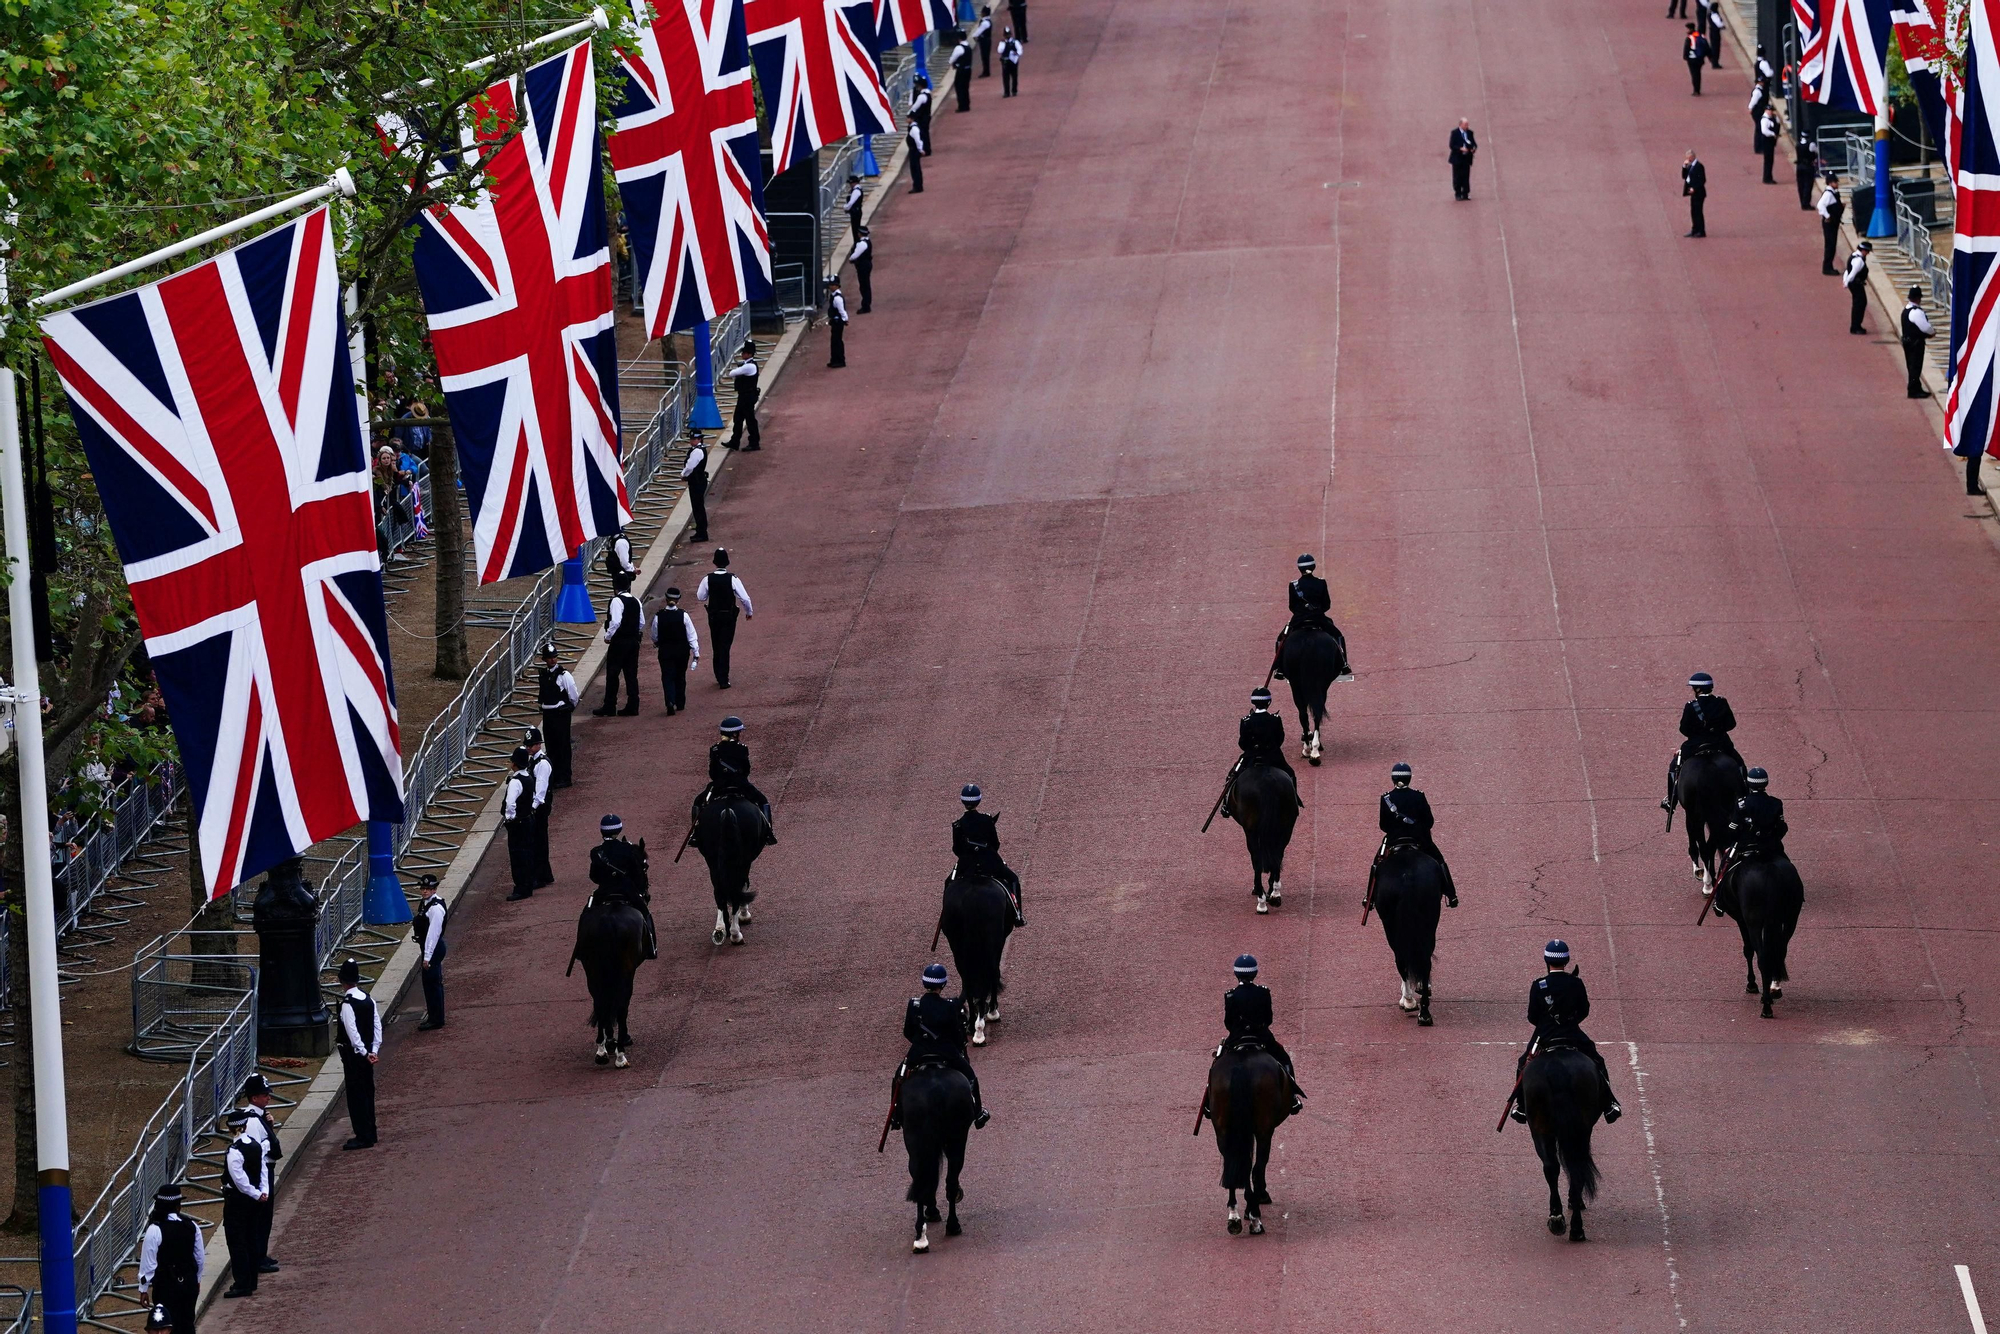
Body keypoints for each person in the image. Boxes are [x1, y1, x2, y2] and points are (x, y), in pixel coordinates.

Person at [1510, 940, 1622, 1124]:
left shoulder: (1538, 985)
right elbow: (1584, 1010)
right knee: (1597, 1060)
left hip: (1544, 1035)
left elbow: (1532, 1016)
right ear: (1567, 961)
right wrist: (1570, 1022)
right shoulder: (1575, 983)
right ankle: (1610, 1104)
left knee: (1523, 1062)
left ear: (1547, 961)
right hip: (1572, 1033)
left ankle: (1522, 1107)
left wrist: (1546, 1024)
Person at [889, 963, 990, 1129]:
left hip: (919, 1051)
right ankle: (978, 1112)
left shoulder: (914, 1005)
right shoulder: (950, 1005)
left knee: (898, 1077)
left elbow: (908, 1032)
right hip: (947, 1051)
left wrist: (920, 1042)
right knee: (971, 1076)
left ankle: (896, 1115)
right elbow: (957, 1035)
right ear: (943, 984)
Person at [1220, 955, 1305, 1115]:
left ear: (1236, 974)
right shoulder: (1263, 993)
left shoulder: (1230, 995)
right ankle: (1292, 1097)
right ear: (1255, 973)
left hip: (1237, 1037)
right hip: (1261, 1036)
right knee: (1284, 1058)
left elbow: (1228, 1023)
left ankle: (1210, 1102)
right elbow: (1268, 1019)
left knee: (1218, 1061)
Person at [1376, 762, 1459, 905]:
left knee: (1376, 864)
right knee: (1439, 860)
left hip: (1394, 841)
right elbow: (1429, 822)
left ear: (1393, 779)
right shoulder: (1419, 796)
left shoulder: (1386, 798)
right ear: (1410, 778)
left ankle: (1369, 898)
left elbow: (1383, 825)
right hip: (1419, 840)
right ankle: (1451, 894)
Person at [1663, 671, 1742, 810]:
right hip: (1720, 743)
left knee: (1674, 765)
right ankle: (1743, 796)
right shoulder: (1721, 702)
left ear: (1698, 689)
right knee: (1740, 764)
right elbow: (1731, 724)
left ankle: (1671, 800)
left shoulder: (1690, 705)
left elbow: (1684, 729)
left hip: (1695, 745)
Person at [693, 715, 777, 843]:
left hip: (719, 785)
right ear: (734, 734)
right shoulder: (742, 748)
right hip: (740, 784)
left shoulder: (714, 749)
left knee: (698, 802)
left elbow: (712, 772)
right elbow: (746, 770)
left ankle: (695, 834)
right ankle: (768, 833)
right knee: (762, 800)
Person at [1717, 767, 1788, 916]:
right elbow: (1781, 828)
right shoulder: (1776, 803)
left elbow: (1733, 830)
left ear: (1749, 784)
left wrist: (1734, 843)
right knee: (1788, 866)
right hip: (1771, 847)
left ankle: (1719, 902)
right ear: (1766, 783)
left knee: (1724, 865)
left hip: (1746, 846)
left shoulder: (1742, 804)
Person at [953, 783, 1024, 926]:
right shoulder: (987, 820)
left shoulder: (957, 824)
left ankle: (945, 919)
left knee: (948, 883)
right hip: (990, 864)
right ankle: (1018, 915)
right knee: (1013, 878)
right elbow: (995, 844)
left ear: (963, 802)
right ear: (978, 801)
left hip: (967, 867)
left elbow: (957, 850)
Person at [588, 813, 657, 959]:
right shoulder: (628, 849)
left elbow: (594, 877)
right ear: (618, 831)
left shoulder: (596, 852)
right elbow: (637, 876)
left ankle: (581, 949)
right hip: (627, 892)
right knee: (645, 913)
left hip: (604, 892)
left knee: (586, 915)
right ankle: (652, 946)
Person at [137, 1183, 204, 1328]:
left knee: (166, 1326)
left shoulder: (155, 1230)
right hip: (188, 1283)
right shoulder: (192, 1226)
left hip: (165, 1285)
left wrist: (144, 1289)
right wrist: (196, 1279)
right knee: (187, 1323)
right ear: (178, 1206)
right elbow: (199, 1258)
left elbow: (148, 1263)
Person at [1271, 552, 1341, 679]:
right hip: (1319, 618)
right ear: (1313, 567)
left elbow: (1292, 606)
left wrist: (1301, 613)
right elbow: (1326, 605)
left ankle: (1280, 669)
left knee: (1281, 638)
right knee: (1338, 635)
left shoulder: (1293, 585)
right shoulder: (1321, 583)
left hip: (1298, 619)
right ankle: (1344, 663)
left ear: (1299, 568)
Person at [220, 1113, 268, 1297]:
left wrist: (256, 1194)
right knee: (251, 1239)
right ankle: (252, 1280)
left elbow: (240, 1180)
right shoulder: (256, 1146)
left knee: (237, 1242)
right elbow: (263, 1171)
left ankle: (242, 1283)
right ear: (246, 1126)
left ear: (231, 1129)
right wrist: (263, 1192)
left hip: (238, 1201)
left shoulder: (234, 1151)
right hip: (253, 1201)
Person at [335, 958, 381, 1149]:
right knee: (368, 1092)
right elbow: (376, 1026)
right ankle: (371, 1131)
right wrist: (374, 1050)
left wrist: (363, 1052)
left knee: (356, 1095)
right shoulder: (368, 999)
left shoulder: (347, 1003)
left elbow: (352, 1033)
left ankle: (363, 1135)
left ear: (342, 981)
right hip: (369, 1053)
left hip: (355, 1056)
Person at [240, 1074, 283, 1275]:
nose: (268, 1098)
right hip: (260, 1172)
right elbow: (255, 1150)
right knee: (261, 1217)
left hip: (266, 1169)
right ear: (254, 1097)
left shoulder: (260, 1116)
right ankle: (257, 1258)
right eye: (264, 1094)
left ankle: (262, 1254)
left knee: (266, 1217)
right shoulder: (251, 1120)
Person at [696, 547, 754, 688]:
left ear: (715, 562)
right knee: (725, 646)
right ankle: (724, 678)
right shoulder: (733, 578)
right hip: (728, 616)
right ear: (727, 562)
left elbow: (701, 597)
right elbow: (745, 598)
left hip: (714, 616)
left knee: (716, 645)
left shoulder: (707, 579)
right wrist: (749, 612)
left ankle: (718, 674)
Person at [595, 574, 644, 715]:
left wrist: (608, 636)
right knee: (631, 675)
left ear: (615, 586)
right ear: (628, 585)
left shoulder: (616, 601)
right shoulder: (636, 601)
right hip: (633, 642)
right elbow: (642, 622)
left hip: (619, 642)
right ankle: (633, 705)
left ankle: (610, 705)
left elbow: (615, 622)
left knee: (612, 674)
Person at [652, 586, 699, 714]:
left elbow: (654, 635)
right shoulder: (684, 615)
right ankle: (680, 702)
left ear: (666, 599)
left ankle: (670, 700)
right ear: (678, 600)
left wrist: (657, 643)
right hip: (682, 651)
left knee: (667, 676)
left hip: (665, 651)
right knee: (680, 676)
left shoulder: (658, 616)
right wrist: (696, 653)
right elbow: (691, 635)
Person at [537, 642, 579, 788]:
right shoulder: (543, 675)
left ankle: (565, 776)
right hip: (548, 714)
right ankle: (554, 776)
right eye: (549, 657)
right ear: (544, 659)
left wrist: (569, 708)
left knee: (562, 745)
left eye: (554, 657)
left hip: (560, 714)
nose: (552, 660)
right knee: (551, 745)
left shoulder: (564, 675)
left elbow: (573, 695)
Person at [503, 747, 540, 901]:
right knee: (528, 853)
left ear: (515, 764)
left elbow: (510, 804)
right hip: (528, 820)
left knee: (517, 856)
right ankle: (528, 884)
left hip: (518, 823)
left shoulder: (515, 781)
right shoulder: (529, 778)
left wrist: (509, 818)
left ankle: (521, 888)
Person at [413, 873, 448, 1029]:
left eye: (428, 888)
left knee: (432, 984)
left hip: (433, 949)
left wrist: (427, 957)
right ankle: (434, 1015)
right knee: (429, 984)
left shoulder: (435, 908)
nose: (425, 891)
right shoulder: (427, 903)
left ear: (434, 889)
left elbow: (433, 935)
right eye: (423, 888)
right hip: (429, 947)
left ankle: (436, 1019)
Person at [525, 727, 555, 887]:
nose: (529, 747)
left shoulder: (542, 764)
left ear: (539, 744)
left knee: (539, 841)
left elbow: (541, 789)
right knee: (537, 840)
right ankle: (544, 873)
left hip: (539, 808)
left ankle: (541, 875)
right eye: (527, 745)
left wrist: (533, 807)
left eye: (532, 744)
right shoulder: (533, 761)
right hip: (536, 806)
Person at [725, 342, 761, 451]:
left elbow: (732, 373)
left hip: (748, 397)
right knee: (738, 419)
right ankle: (734, 441)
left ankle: (754, 443)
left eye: (745, 353)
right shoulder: (746, 365)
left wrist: (736, 372)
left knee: (750, 420)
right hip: (744, 396)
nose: (742, 354)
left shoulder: (749, 366)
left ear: (750, 354)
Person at [1902, 286, 1934, 398]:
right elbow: (1926, 328)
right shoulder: (1916, 312)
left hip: (1908, 342)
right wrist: (1932, 332)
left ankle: (1916, 387)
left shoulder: (1906, 309)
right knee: (1915, 366)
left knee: (1912, 366)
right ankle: (1913, 390)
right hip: (1915, 343)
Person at [681, 430, 711, 542]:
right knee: (698, 507)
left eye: (694, 439)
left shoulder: (697, 451)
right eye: (691, 439)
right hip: (698, 481)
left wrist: (683, 474)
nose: (691, 441)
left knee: (698, 508)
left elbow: (690, 466)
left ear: (699, 439)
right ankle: (700, 531)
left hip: (697, 482)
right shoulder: (697, 450)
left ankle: (702, 532)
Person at [1818, 173, 1846, 274]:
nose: (1837, 183)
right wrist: (1828, 216)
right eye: (1835, 182)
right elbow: (1820, 205)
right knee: (1830, 245)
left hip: (1834, 222)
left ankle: (1829, 266)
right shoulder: (1828, 194)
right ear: (1830, 183)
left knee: (1832, 245)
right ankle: (1827, 267)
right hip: (1830, 224)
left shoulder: (1833, 193)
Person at [1845, 240, 1872, 334]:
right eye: (1867, 251)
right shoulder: (1859, 260)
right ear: (1864, 250)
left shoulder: (1854, 256)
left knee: (1860, 303)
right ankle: (1856, 326)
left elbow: (1847, 270)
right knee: (1859, 304)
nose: (1868, 254)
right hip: (1856, 284)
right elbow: (1852, 273)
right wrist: (1846, 282)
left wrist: (1846, 281)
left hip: (1855, 283)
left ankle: (1856, 325)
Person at [1449, 118, 1478, 200]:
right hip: (1457, 158)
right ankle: (1458, 193)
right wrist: (1460, 148)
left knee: (1466, 176)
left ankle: (1465, 193)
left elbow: (1473, 143)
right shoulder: (1454, 133)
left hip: (1466, 158)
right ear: (1460, 125)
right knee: (1457, 176)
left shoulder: (1470, 132)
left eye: (1467, 125)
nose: (1467, 126)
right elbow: (1452, 145)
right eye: (1465, 125)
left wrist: (1473, 148)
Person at [1681, 149, 1706, 237]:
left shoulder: (1699, 166)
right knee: (1693, 211)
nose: (1687, 159)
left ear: (1692, 157)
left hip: (1699, 193)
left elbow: (1702, 180)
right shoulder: (1690, 166)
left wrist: (1694, 188)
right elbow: (1684, 176)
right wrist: (1684, 167)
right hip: (1693, 193)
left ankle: (1701, 231)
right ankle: (1694, 229)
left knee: (1698, 212)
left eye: (1688, 158)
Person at [826, 279, 849, 368]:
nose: (830, 287)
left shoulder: (837, 298)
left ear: (836, 286)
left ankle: (840, 360)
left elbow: (842, 310)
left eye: (832, 285)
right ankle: (834, 359)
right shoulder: (834, 296)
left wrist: (845, 319)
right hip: (835, 321)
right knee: (834, 341)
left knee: (837, 341)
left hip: (838, 322)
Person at [850, 226, 874, 314]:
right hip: (866, 264)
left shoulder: (862, 243)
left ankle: (866, 305)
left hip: (863, 265)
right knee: (866, 285)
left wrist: (851, 259)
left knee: (864, 286)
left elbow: (855, 255)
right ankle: (867, 303)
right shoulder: (867, 241)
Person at [1682, 23, 1709, 94]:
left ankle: (1696, 90)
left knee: (1694, 74)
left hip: (1692, 59)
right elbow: (1706, 47)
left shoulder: (1689, 38)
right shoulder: (1701, 36)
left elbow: (1686, 49)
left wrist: (1685, 57)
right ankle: (1698, 88)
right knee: (1698, 73)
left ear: (1690, 29)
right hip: (1700, 58)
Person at [910, 75, 933, 154]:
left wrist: (909, 114)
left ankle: (924, 149)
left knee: (922, 133)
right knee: (925, 133)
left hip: (922, 118)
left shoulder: (922, 96)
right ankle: (927, 148)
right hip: (927, 116)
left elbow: (915, 107)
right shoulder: (928, 94)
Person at [951, 33, 973, 111]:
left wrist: (953, 63)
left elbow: (952, 59)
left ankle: (962, 106)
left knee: (959, 87)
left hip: (961, 70)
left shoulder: (959, 48)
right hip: (968, 69)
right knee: (966, 87)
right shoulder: (968, 46)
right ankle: (967, 104)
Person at [1796, 145, 1821, 212]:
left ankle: (1802, 202)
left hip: (1799, 167)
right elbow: (1817, 151)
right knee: (1808, 185)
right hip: (1808, 167)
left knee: (1801, 185)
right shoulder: (1811, 144)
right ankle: (1806, 203)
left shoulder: (1799, 144)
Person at [1758, 106, 1779, 184]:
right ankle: (1767, 178)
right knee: (1768, 160)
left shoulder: (1772, 118)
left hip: (1771, 142)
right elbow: (1764, 131)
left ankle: (1769, 176)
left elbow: (1778, 122)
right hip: (1767, 141)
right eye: (1769, 110)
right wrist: (1773, 134)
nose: (1770, 112)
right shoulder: (1765, 120)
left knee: (1770, 160)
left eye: (1771, 110)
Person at [907, 114, 928, 191]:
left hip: (914, 151)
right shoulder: (912, 128)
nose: (906, 120)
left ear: (912, 119)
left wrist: (920, 150)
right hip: (913, 150)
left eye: (908, 118)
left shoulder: (914, 129)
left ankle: (918, 186)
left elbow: (918, 140)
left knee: (915, 169)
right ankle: (917, 185)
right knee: (915, 169)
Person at [1000, 28, 1022, 97]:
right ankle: (1006, 92)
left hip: (1013, 61)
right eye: (1006, 35)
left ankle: (1014, 90)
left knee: (1014, 76)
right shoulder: (1002, 42)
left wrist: (1017, 53)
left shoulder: (1015, 42)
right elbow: (1000, 50)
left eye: (1008, 34)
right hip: (1005, 61)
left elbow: (1020, 50)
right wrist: (1005, 44)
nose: (1007, 36)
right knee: (1005, 77)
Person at [974, 6, 994, 75]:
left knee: (985, 56)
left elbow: (979, 31)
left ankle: (986, 71)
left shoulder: (985, 22)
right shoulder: (986, 21)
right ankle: (986, 70)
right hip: (985, 40)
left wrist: (975, 36)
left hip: (985, 41)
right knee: (985, 56)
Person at [844, 173, 864, 238]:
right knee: (855, 229)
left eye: (850, 183)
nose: (850, 185)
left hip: (855, 212)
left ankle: (857, 243)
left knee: (855, 230)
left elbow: (851, 203)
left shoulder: (856, 191)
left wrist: (845, 207)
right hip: (856, 212)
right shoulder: (857, 190)